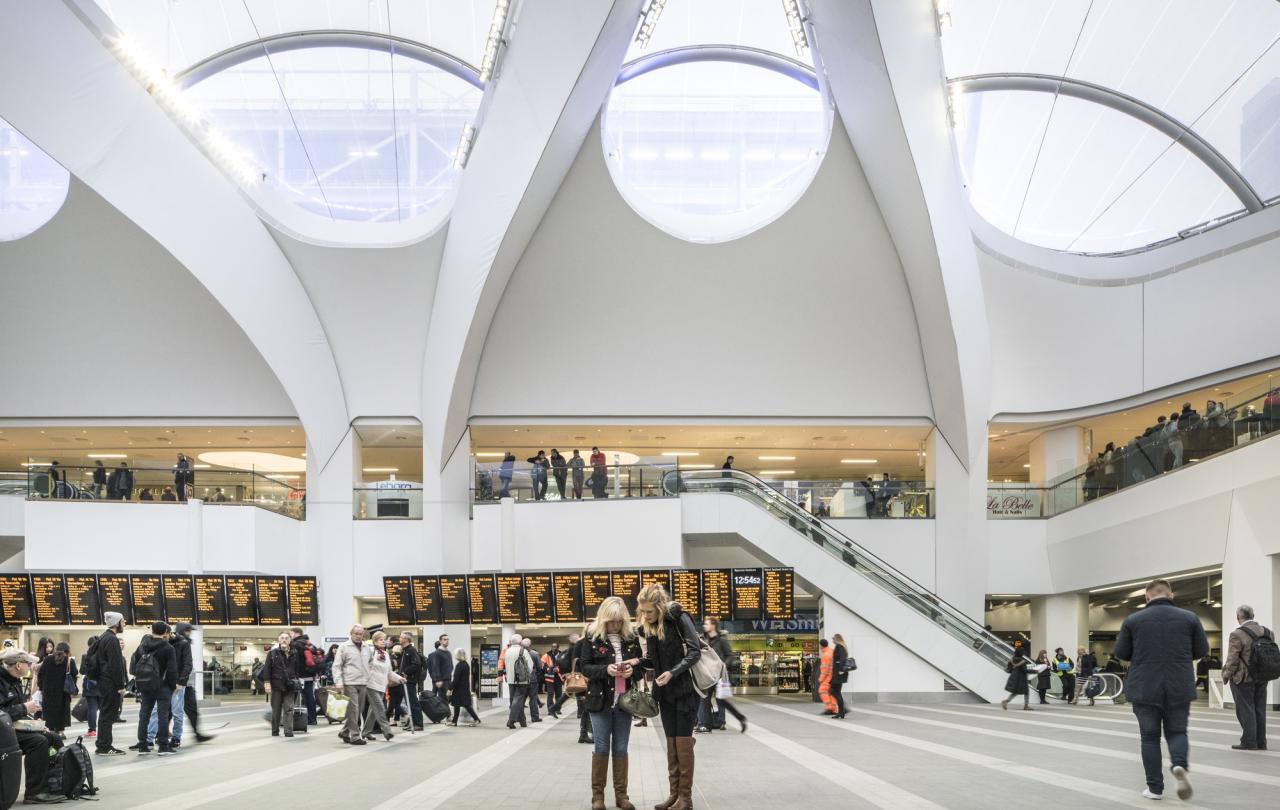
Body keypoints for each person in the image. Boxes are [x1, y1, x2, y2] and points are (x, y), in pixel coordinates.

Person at [1113, 579, 1207, 801]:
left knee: (1149, 737)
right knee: (1177, 731)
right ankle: (1179, 765)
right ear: (1171, 595)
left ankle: (1154, 788)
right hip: (1179, 684)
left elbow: (1122, 653)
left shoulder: (1133, 620)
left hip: (1145, 686)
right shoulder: (1190, 618)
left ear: (1147, 597)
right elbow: (1201, 650)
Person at [636, 583, 701, 810]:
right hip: (665, 693)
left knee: (683, 743)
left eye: (649, 611)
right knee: (671, 743)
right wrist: (635, 662)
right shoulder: (649, 628)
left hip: (685, 691)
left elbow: (695, 652)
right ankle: (674, 794)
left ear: (661, 607)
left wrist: (672, 673)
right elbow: (653, 661)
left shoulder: (679, 618)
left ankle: (686, 798)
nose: (645, 615)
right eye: (642, 611)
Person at [580, 596, 643, 810]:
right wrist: (606, 670)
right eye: (610, 621)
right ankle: (598, 797)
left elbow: (642, 664)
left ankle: (621, 796)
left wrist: (633, 670)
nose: (614, 625)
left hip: (624, 702)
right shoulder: (591, 637)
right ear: (603, 619)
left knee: (621, 747)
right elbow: (585, 667)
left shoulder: (631, 638)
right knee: (601, 747)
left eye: (618, 621)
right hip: (600, 701)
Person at [0, 649, 65, 804]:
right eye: (28, 663)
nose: (30, 666)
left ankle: (54, 784)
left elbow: (16, 712)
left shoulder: (14, 681)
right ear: (17, 665)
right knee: (38, 742)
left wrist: (35, 724)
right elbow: (2, 714)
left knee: (53, 738)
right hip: (3, 733)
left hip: (12, 729)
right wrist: (24, 708)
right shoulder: (2, 683)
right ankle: (34, 792)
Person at [1221, 604, 1272, 751]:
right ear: (1253, 616)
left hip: (1243, 678)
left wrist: (1226, 675)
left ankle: (1249, 741)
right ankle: (1261, 742)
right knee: (1259, 709)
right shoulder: (1267, 632)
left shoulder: (1237, 634)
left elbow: (1232, 660)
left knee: (1246, 709)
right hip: (1262, 677)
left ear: (1239, 618)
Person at [131, 621, 178, 755]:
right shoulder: (168, 648)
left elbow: (135, 665)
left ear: (152, 631)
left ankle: (142, 746)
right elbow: (172, 670)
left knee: (144, 715)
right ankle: (163, 746)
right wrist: (173, 685)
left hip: (146, 685)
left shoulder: (142, 646)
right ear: (165, 632)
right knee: (162, 715)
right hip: (163, 687)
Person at [696, 618, 747, 732]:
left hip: (719, 675)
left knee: (721, 700)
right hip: (708, 675)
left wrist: (723, 664)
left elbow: (730, 655)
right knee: (704, 699)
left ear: (713, 626)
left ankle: (726, 721)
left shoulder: (722, 640)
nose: (704, 625)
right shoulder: (703, 639)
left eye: (707, 624)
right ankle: (704, 724)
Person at [90, 612, 129, 756]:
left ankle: (103, 744)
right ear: (117, 623)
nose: (124, 623)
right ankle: (104, 746)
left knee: (105, 714)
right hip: (110, 683)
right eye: (122, 621)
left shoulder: (103, 637)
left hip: (103, 681)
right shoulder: (112, 640)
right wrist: (120, 686)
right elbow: (116, 665)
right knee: (108, 715)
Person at [333, 625, 371, 745]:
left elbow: (371, 663)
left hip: (363, 682)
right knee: (353, 710)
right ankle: (355, 736)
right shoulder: (344, 647)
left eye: (361, 634)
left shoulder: (366, 647)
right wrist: (338, 683)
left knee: (358, 710)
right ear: (351, 634)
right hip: (349, 682)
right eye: (356, 633)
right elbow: (337, 666)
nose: (359, 636)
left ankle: (344, 732)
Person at [262, 631, 299, 738]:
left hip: (290, 685)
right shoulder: (272, 653)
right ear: (278, 640)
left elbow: (297, 669)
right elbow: (267, 669)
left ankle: (288, 731)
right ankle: (275, 731)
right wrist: (267, 683)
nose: (284, 640)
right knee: (276, 709)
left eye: (286, 638)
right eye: (282, 638)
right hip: (276, 685)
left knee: (289, 709)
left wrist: (296, 680)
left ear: (290, 640)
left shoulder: (295, 653)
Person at [361, 631, 395, 742]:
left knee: (373, 710)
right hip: (371, 684)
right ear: (375, 641)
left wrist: (399, 678)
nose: (383, 641)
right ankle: (387, 731)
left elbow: (389, 671)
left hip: (382, 685)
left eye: (384, 639)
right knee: (380, 707)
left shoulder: (385, 654)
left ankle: (366, 732)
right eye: (381, 639)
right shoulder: (370, 651)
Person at [35, 641, 75, 733]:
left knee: (49, 714)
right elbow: (74, 674)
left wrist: (41, 687)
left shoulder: (47, 659)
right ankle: (61, 732)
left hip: (48, 692)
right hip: (63, 693)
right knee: (62, 713)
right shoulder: (69, 660)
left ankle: (50, 731)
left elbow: (40, 674)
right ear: (67, 650)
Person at [504, 633, 535, 729]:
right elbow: (530, 665)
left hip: (510, 680)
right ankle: (511, 721)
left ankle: (523, 722)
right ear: (520, 642)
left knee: (515, 700)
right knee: (518, 700)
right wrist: (526, 675)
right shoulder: (523, 651)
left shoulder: (507, 651)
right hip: (522, 680)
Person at [289, 628, 319, 726]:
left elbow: (295, 660)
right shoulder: (309, 643)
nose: (290, 635)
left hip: (301, 674)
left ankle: (295, 718)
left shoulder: (296, 644)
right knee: (310, 695)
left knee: (297, 696)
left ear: (297, 634)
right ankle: (312, 718)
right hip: (310, 674)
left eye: (291, 633)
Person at [397, 632, 425, 730]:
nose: (399, 639)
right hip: (405, 681)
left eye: (401, 637)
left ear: (406, 639)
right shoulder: (405, 650)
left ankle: (418, 724)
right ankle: (412, 723)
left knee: (413, 702)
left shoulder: (411, 650)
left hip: (410, 681)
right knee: (409, 702)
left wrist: (405, 671)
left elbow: (416, 665)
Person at [448, 648, 480, 726]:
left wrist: (450, 688)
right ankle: (454, 721)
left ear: (458, 655)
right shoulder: (466, 664)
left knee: (463, 705)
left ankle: (476, 719)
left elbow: (456, 679)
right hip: (465, 687)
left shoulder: (459, 665)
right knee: (458, 704)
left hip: (459, 689)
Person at [427, 633, 453, 709]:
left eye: (448, 639)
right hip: (441, 680)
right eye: (445, 639)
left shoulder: (448, 652)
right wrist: (438, 680)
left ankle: (444, 714)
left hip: (448, 679)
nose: (447, 641)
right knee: (443, 698)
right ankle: (447, 716)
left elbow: (450, 666)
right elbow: (435, 667)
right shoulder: (437, 653)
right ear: (440, 641)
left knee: (447, 698)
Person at [521, 637, 542, 722]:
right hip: (532, 679)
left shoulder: (519, 653)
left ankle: (521, 718)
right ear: (530, 645)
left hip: (522, 679)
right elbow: (539, 668)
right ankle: (535, 717)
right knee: (533, 699)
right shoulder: (535, 654)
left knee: (521, 699)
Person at [829, 633, 849, 720]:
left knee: (833, 690)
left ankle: (842, 711)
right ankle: (841, 712)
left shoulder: (839, 646)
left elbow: (842, 658)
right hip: (838, 672)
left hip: (839, 673)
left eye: (833, 639)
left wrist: (841, 670)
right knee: (837, 691)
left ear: (837, 639)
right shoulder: (841, 646)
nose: (832, 640)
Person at [542, 642, 563, 717]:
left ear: (558, 647)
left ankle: (558, 709)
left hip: (559, 677)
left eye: (555, 647)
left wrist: (559, 669)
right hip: (549, 677)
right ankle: (550, 709)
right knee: (550, 694)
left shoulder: (562, 655)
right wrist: (548, 668)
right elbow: (542, 666)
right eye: (552, 647)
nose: (553, 648)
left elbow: (565, 665)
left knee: (559, 694)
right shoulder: (546, 655)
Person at [817, 638, 836, 715]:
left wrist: (820, 679)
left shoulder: (825, 655)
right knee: (831, 692)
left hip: (828, 677)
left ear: (821, 646)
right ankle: (834, 708)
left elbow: (825, 669)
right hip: (833, 676)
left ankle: (829, 708)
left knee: (822, 691)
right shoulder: (831, 651)